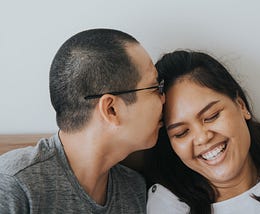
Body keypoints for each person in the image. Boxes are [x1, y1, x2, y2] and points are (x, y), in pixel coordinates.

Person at [0, 28, 165, 213]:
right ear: (111, 110)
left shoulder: (133, 190)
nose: (164, 98)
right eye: (154, 87)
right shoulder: (14, 185)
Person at [145, 50, 260, 213]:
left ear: (241, 106)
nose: (202, 138)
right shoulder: (168, 204)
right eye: (182, 133)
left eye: (212, 116)